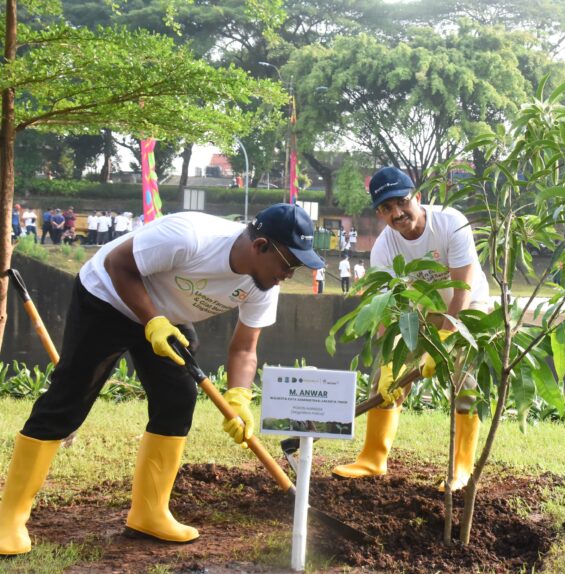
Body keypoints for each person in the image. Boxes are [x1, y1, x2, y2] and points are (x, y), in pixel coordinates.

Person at [0, 203, 323, 556]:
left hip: (167, 315)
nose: (289, 274)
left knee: (177, 401)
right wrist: (151, 321)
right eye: (288, 263)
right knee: (68, 400)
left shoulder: (263, 284)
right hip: (108, 297)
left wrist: (239, 397)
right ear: (260, 245)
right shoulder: (189, 237)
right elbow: (117, 264)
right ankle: (9, 518)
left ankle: (149, 512)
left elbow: (245, 348)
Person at [332, 166, 490, 493]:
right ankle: (373, 457)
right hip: (419, 312)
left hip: (468, 306)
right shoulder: (384, 249)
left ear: (417, 197)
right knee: (384, 378)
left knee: (465, 381)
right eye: (386, 209)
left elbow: (462, 289)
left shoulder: (450, 223)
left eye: (402, 202)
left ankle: (461, 467)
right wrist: (390, 361)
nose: (397, 213)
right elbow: (388, 309)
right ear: (380, 214)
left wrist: (445, 339)